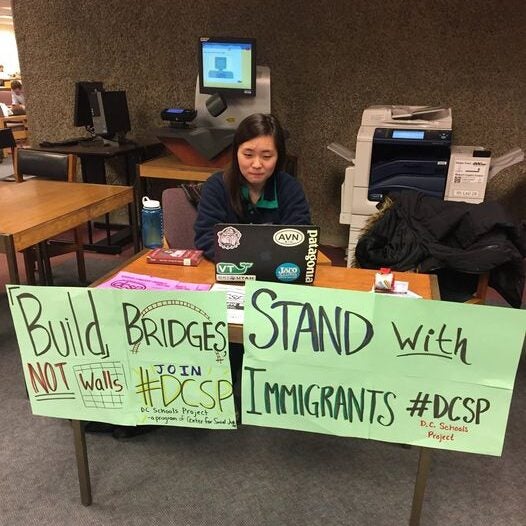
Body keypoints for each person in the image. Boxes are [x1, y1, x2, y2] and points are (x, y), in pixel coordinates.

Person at [194, 112, 312, 259]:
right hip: (229, 272)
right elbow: (206, 239)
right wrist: (251, 262)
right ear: (236, 153)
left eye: (267, 156)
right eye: (248, 155)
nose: (256, 165)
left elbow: (300, 240)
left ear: (279, 157)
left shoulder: (290, 188)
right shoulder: (216, 187)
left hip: (275, 274)